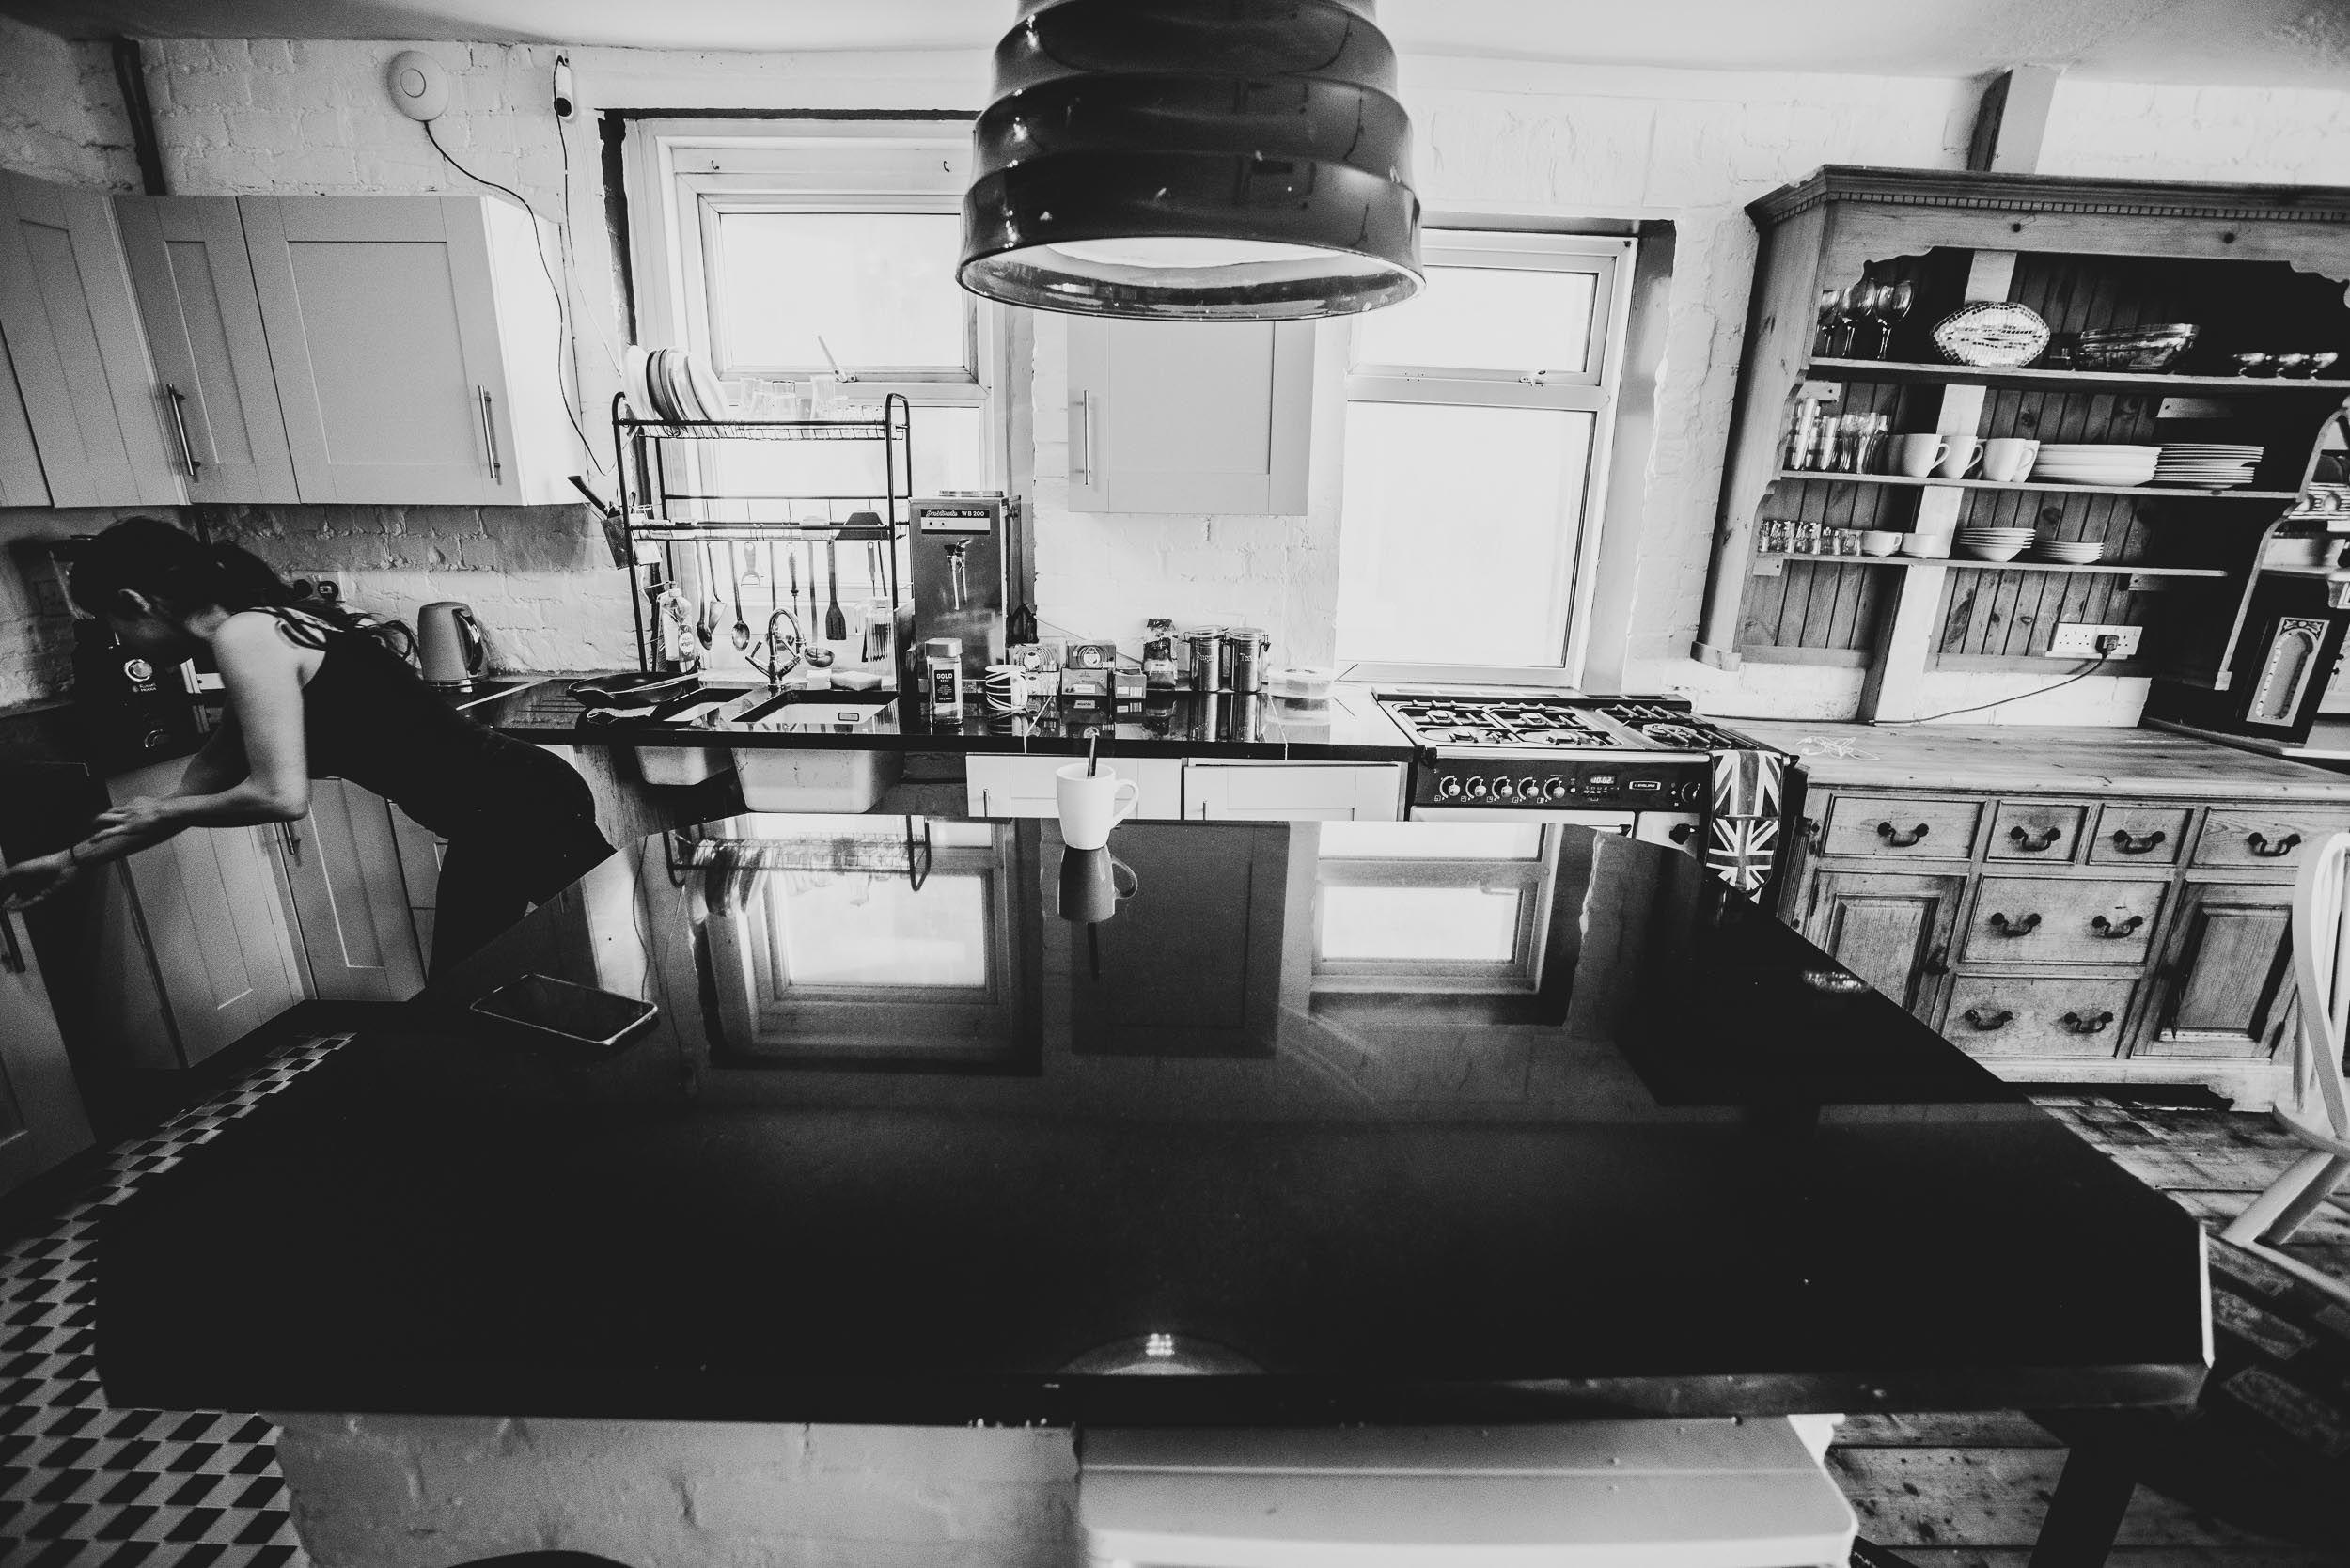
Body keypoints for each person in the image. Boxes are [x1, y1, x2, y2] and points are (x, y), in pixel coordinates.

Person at [0, 518, 612, 975]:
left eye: (114, 627)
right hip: (516, 800)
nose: (123, 645)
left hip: (515, 807)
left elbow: (279, 795)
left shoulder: (250, 635)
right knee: (543, 964)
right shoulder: (264, 628)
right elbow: (196, 786)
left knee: (501, 980)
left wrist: (166, 810)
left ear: (135, 603)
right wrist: (71, 858)